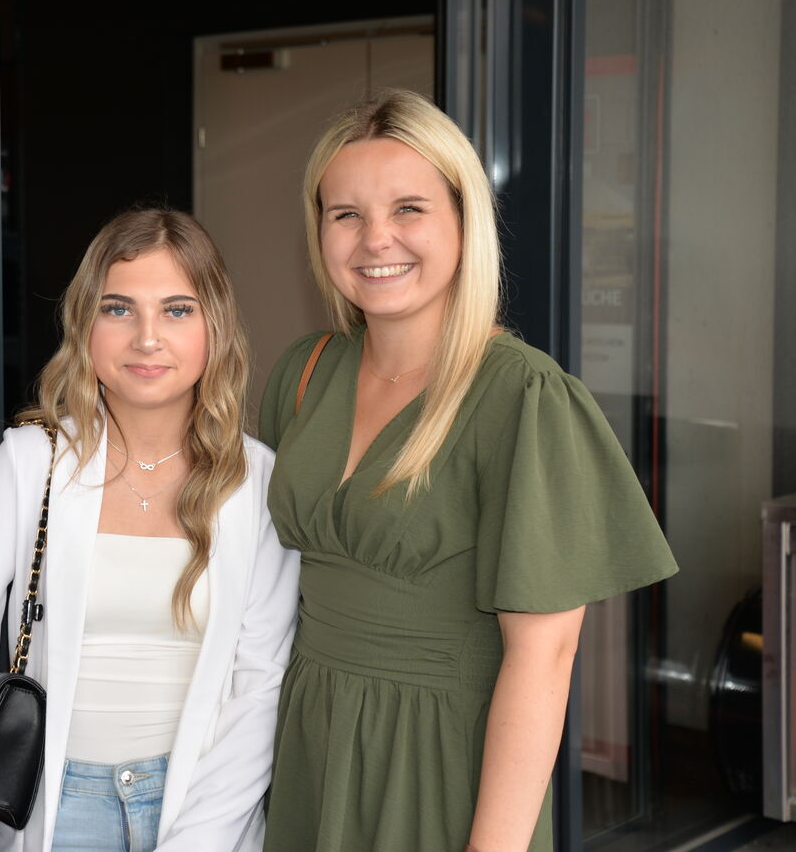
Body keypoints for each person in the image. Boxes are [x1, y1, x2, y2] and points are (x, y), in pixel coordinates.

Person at [257, 90, 678, 852]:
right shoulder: (303, 375)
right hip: (308, 746)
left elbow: (544, 656)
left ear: (463, 219)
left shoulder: (520, 396)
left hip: (440, 763)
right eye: (346, 214)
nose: (375, 238)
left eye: (409, 208)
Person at [0, 208, 299, 852]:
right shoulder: (32, 463)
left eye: (177, 310)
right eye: (118, 309)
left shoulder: (256, 481)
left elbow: (261, 691)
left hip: (202, 812)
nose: (147, 338)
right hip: (55, 813)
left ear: (215, 327)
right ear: (85, 323)